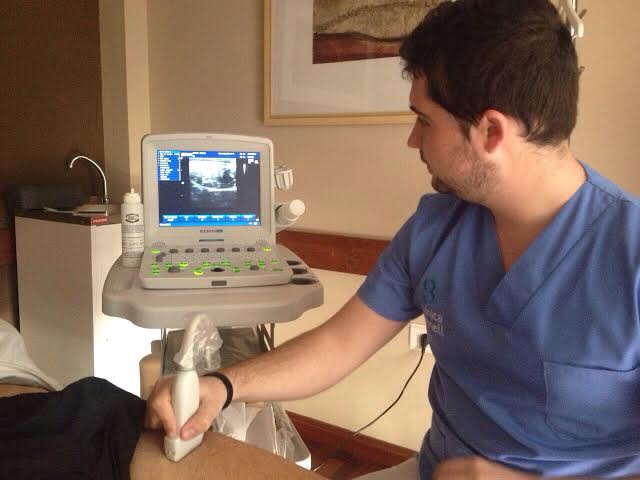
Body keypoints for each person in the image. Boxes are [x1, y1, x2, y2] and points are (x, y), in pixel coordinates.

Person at [146, 0, 640, 479]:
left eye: (424, 121)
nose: (413, 140)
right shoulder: (435, 227)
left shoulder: (629, 254)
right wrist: (225, 385)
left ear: (491, 131)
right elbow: (340, 345)